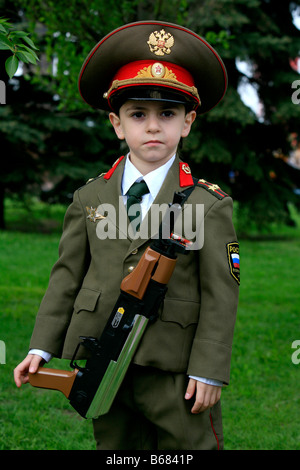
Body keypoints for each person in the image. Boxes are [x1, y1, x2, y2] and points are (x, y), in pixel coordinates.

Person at [14, 20, 239, 450]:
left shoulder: (208, 205)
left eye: (168, 114)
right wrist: (40, 348)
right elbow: (65, 278)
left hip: (174, 371)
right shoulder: (89, 198)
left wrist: (209, 369)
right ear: (117, 124)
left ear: (188, 122)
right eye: (138, 115)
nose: (153, 127)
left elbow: (221, 295)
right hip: (102, 360)